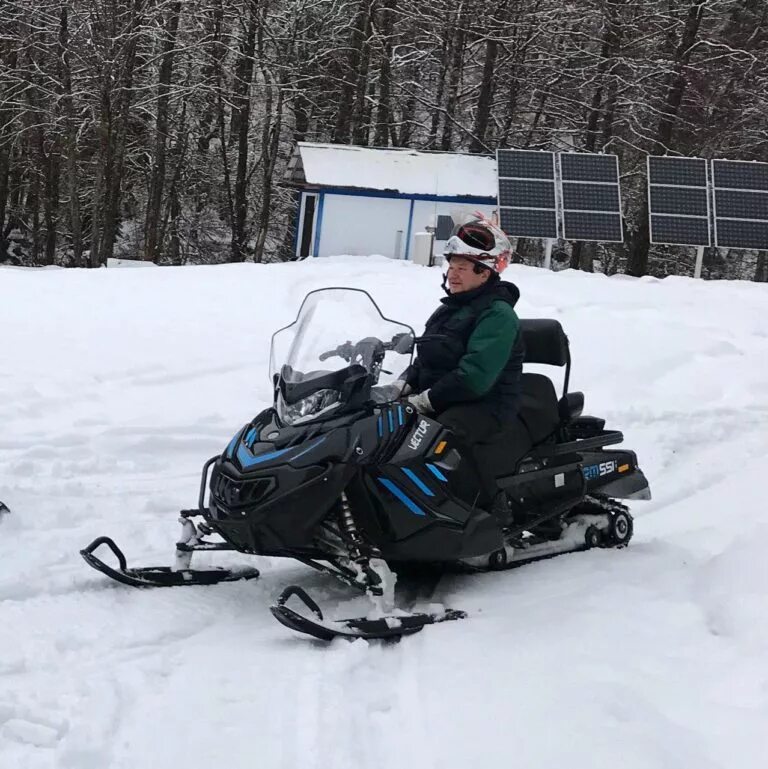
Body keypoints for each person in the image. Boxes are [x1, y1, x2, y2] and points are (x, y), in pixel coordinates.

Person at [400, 215, 524, 522]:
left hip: (486, 404)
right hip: (447, 395)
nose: (453, 275)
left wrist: (426, 400)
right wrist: (403, 384)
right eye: (451, 267)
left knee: (444, 434)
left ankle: (488, 513)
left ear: (484, 274)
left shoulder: (498, 315)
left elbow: (475, 377)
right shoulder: (450, 308)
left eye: (462, 268)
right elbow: (428, 355)